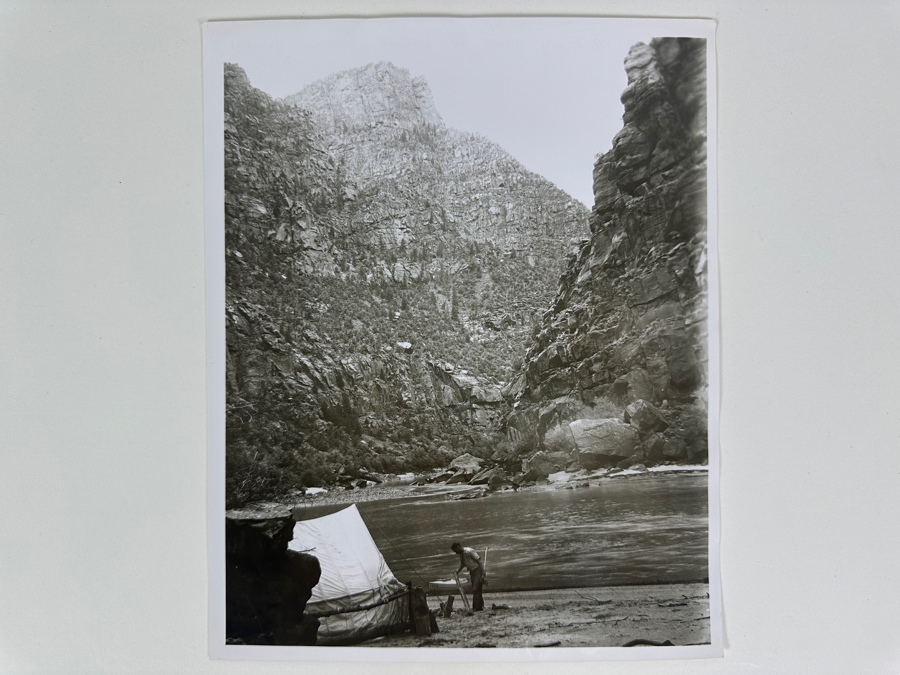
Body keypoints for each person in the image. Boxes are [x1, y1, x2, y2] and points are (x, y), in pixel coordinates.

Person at [450, 542, 485, 611]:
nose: (456, 553)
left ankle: (477, 608)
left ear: (458, 547)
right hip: (472, 572)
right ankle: (479, 606)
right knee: (476, 589)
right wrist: (458, 571)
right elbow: (463, 564)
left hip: (477, 570)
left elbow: (479, 561)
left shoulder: (469, 551)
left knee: (475, 589)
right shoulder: (462, 555)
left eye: (455, 550)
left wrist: (483, 572)